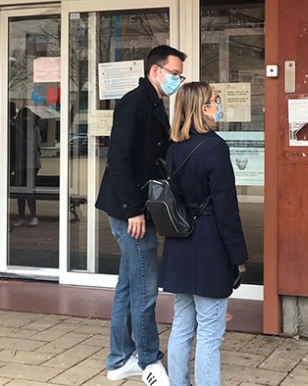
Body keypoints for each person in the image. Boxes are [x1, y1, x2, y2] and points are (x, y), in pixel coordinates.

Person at [96, 45, 186, 385]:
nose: (178, 79)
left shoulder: (154, 104)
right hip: (130, 212)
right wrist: (133, 210)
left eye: (181, 75)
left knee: (129, 285)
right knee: (146, 288)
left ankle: (119, 360)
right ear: (155, 71)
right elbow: (118, 160)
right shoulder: (135, 102)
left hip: (137, 209)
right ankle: (149, 361)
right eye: (175, 73)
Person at [159, 82, 248, 386]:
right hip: (209, 246)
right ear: (201, 109)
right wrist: (239, 257)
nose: (217, 106)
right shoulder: (215, 147)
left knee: (183, 324)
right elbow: (227, 209)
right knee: (210, 332)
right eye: (214, 101)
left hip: (179, 244)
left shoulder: (173, 149)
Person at [12, 106, 41, 227]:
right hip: (20, 163)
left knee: (28, 190)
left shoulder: (34, 129)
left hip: (31, 163)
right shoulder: (17, 129)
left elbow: (33, 146)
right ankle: (21, 216)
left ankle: (33, 215)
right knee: (21, 191)